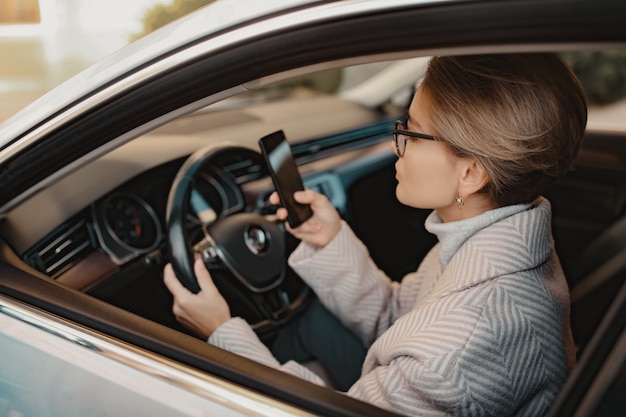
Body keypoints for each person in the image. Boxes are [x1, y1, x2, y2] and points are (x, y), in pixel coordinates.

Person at [163, 53, 587, 416]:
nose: (394, 145)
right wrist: (330, 238)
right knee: (314, 317)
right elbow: (401, 319)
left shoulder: (462, 347)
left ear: (471, 173)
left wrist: (221, 334)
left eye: (412, 131)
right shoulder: (492, 239)